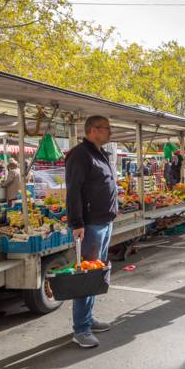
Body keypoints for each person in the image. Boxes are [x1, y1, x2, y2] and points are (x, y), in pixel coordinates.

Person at [65, 116, 117, 349]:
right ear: (94, 130)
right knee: (86, 277)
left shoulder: (98, 153)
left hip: (104, 222)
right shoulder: (80, 154)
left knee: (95, 274)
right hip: (91, 224)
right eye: (107, 129)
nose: (110, 132)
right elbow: (73, 190)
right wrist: (77, 223)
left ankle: (88, 318)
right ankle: (81, 329)